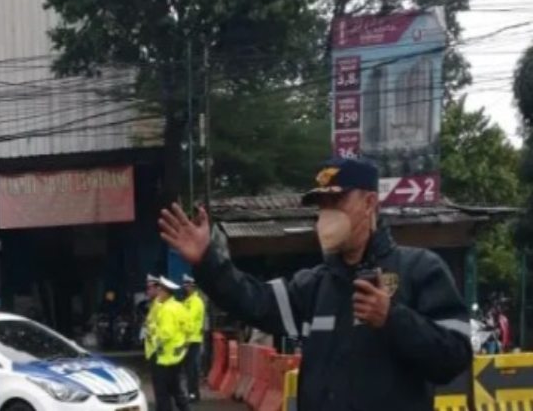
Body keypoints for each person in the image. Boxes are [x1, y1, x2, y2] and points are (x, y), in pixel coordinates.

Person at [159, 157, 472, 411]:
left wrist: (392, 318)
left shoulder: (420, 269)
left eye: (336, 201)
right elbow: (255, 300)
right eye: (321, 205)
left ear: (369, 203)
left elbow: (454, 357)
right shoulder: (317, 284)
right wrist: (207, 261)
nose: (326, 214)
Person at [151, 276, 190, 411]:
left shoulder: (166, 309)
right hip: (177, 355)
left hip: (165, 358)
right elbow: (188, 328)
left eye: (160, 291)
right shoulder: (179, 306)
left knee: (163, 394)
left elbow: (166, 333)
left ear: (166, 293)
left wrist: (155, 338)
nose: (158, 293)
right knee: (176, 390)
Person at [181, 274, 206, 402]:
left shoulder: (196, 302)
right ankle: (191, 392)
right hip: (187, 339)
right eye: (184, 285)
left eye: (187, 285)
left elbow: (188, 319)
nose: (185, 288)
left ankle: (193, 394)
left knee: (192, 369)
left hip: (193, 339)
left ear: (192, 286)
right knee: (188, 368)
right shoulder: (187, 301)